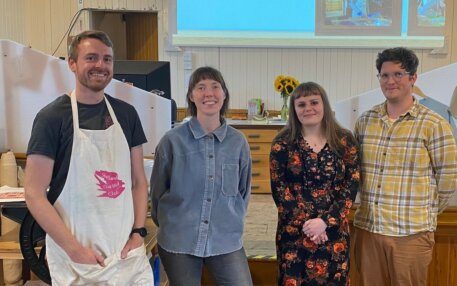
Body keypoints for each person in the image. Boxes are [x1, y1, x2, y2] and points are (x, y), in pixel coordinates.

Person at [24, 30, 153, 285]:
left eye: (107, 59)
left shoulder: (126, 115)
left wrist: (138, 232)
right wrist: (74, 250)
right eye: (91, 58)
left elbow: (138, 182)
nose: (100, 66)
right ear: (72, 63)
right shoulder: (52, 118)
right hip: (78, 262)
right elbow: (33, 193)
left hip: (125, 256)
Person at [353, 47, 457, 286]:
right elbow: (355, 171)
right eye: (385, 75)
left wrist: (424, 213)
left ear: (413, 78)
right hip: (369, 230)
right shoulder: (365, 121)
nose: (391, 81)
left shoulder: (434, 124)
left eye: (398, 74)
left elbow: (448, 179)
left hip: (410, 234)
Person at [150, 66, 253, 286]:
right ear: (191, 95)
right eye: (201, 87)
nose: (209, 93)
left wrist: (230, 219)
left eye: (215, 87)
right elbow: (158, 193)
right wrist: (172, 223)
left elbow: (243, 192)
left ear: (224, 94)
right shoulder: (172, 141)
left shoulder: (238, 142)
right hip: (179, 240)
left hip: (225, 239)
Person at [270, 82, 360, 285]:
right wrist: (308, 226)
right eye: (301, 104)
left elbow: (351, 185)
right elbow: (279, 190)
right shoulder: (282, 143)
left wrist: (325, 222)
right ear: (294, 109)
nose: (308, 108)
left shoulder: (345, 140)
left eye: (314, 102)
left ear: (324, 105)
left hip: (333, 232)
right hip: (294, 233)